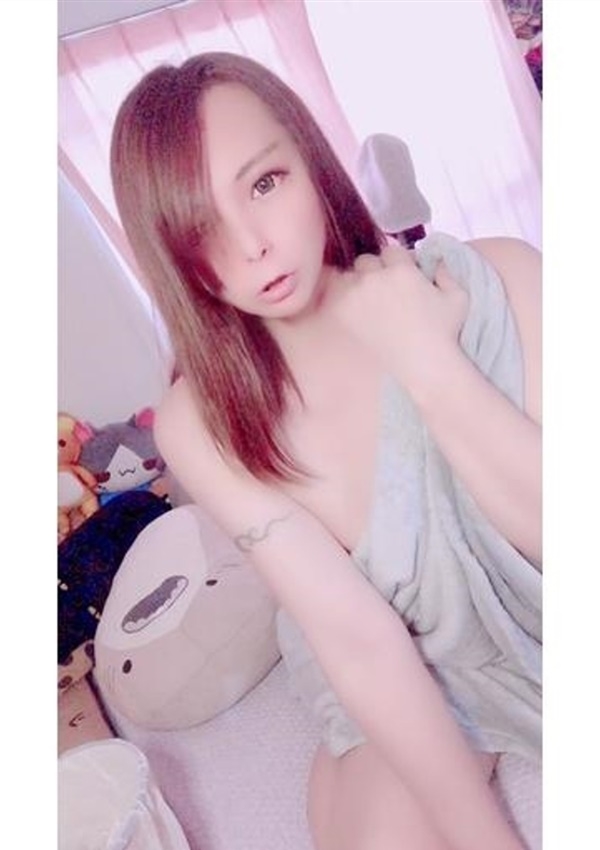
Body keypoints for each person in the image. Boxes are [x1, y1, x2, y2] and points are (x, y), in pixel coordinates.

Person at [110, 52, 541, 850]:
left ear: (310, 160)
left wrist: (430, 365)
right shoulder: (199, 420)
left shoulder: (498, 278)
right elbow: (356, 640)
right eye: (200, 227)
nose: (251, 247)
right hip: (384, 661)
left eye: (265, 184)